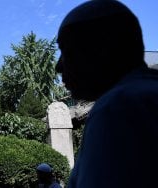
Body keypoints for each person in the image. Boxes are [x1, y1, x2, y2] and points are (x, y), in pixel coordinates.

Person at [56, 0, 158, 187]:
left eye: (66, 50)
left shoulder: (118, 108)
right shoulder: (144, 94)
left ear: (99, 48)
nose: (58, 66)